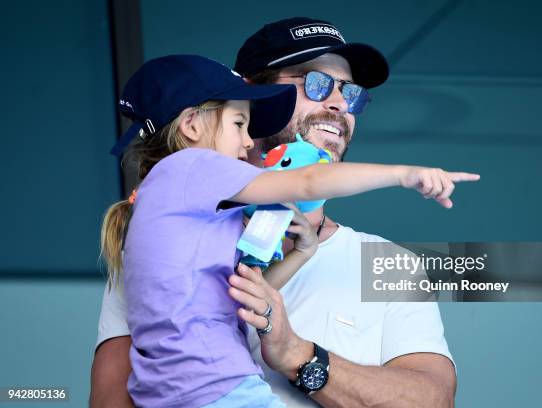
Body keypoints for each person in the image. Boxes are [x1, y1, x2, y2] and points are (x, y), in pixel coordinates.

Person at [91, 17, 475, 407]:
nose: (340, 104)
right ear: (254, 94)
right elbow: (110, 401)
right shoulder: (162, 243)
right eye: (316, 83)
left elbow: (432, 401)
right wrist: (404, 173)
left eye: (351, 93)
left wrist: (296, 354)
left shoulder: (388, 264)